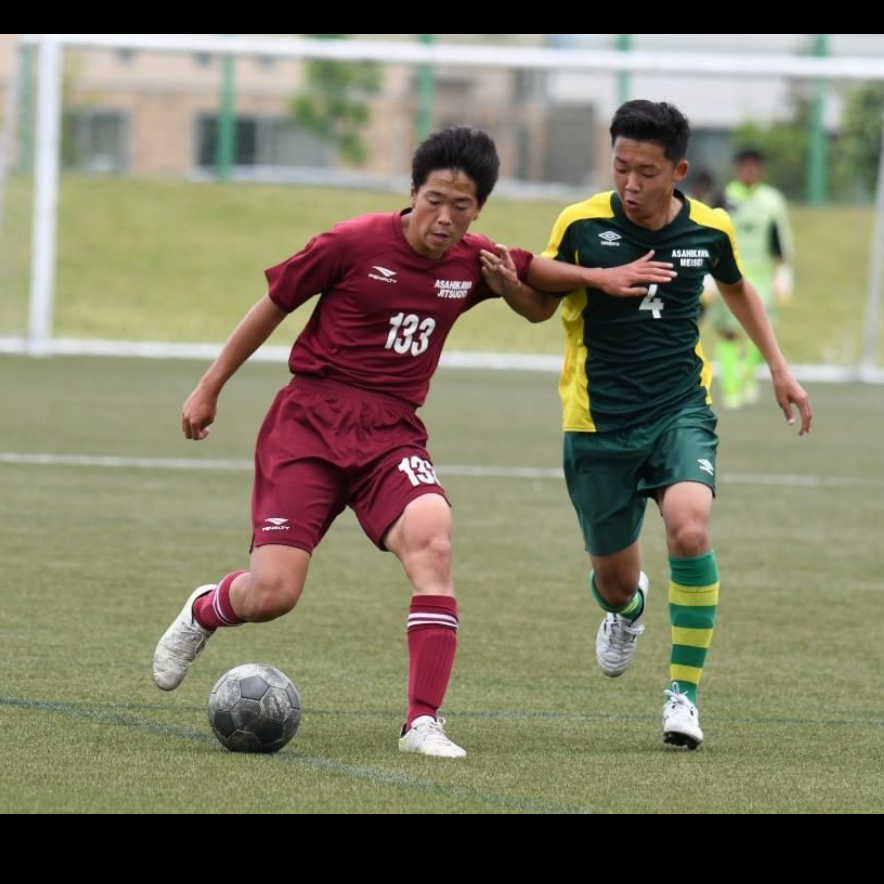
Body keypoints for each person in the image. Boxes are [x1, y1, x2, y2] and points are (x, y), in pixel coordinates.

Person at [152, 126, 543, 759]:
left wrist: (602, 277)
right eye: (435, 200)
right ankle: (206, 609)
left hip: (391, 434)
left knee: (434, 540)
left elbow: (542, 288)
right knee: (274, 594)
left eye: (461, 206)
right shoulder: (353, 241)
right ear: (412, 192)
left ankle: (422, 723)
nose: (445, 218)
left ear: (479, 210)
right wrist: (209, 386)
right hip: (309, 422)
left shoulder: (475, 260)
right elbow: (273, 304)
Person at [479, 100, 812, 749]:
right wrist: (535, 283)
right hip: (598, 423)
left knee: (690, 529)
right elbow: (540, 299)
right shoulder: (582, 222)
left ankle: (683, 695)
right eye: (621, 168)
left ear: (678, 171)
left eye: (647, 172)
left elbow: (737, 285)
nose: (630, 184)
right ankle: (628, 609)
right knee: (614, 582)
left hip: (678, 409)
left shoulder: (710, 228)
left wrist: (779, 367)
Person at [708, 148, 795, 408]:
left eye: (755, 165)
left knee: (764, 330)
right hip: (728, 275)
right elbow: (710, 237)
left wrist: (783, 274)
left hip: (761, 277)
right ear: (736, 168)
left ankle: (748, 376)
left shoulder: (772, 200)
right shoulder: (723, 197)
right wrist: (707, 276)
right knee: (728, 333)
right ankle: (731, 388)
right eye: (745, 165)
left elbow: (780, 241)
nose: (750, 170)